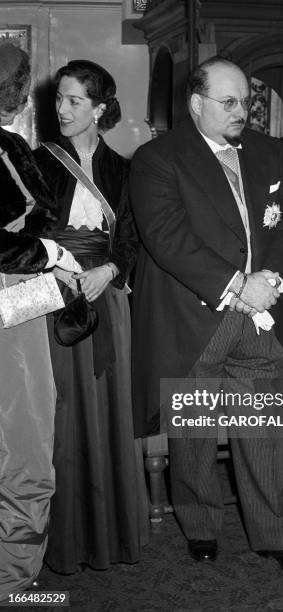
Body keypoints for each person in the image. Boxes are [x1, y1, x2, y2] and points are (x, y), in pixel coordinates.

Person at [130, 56, 283, 576]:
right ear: (196, 104)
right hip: (196, 319)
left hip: (260, 318)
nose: (242, 112)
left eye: (246, 102)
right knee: (191, 436)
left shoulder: (267, 152)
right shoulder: (156, 158)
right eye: (229, 102)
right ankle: (201, 526)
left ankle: (273, 535)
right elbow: (167, 238)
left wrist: (271, 281)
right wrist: (238, 287)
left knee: (259, 429)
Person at [34, 59, 148, 574]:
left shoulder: (125, 169)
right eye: (59, 98)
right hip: (51, 301)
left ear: (100, 110)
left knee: (108, 415)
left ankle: (108, 537)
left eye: (75, 101)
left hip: (106, 300)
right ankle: (60, 541)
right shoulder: (35, 161)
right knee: (58, 419)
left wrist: (110, 269)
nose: (61, 109)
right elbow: (21, 236)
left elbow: (131, 237)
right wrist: (54, 268)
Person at [0, 44, 81, 600]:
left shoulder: (13, 145)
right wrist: (50, 254)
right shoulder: (7, 147)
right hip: (10, 312)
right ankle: (14, 586)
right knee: (23, 451)